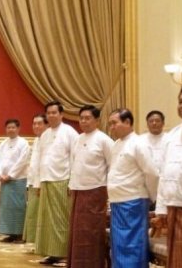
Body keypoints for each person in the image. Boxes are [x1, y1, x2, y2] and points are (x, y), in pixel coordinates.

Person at [107, 108, 158, 268]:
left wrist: (150, 197)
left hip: (134, 202)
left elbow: (152, 173)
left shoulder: (139, 143)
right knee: (119, 245)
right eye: (110, 124)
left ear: (128, 122)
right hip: (117, 202)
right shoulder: (116, 144)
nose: (111, 127)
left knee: (132, 245)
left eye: (114, 123)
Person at [33, 100, 79, 266]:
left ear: (61, 114)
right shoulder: (44, 135)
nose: (51, 115)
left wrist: (72, 183)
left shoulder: (69, 132)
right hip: (46, 180)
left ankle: (64, 254)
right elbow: (40, 159)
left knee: (61, 219)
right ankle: (52, 253)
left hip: (62, 180)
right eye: (49, 113)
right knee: (46, 220)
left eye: (54, 112)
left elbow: (75, 158)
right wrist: (38, 183)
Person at [67, 105, 113, 268]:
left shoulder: (104, 140)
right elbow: (74, 164)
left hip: (95, 191)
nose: (84, 121)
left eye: (88, 118)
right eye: (81, 118)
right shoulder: (78, 139)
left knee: (91, 232)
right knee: (77, 232)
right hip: (78, 190)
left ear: (97, 121)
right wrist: (71, 184)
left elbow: (112, 167)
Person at [156, 85, 182, 268]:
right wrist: (161, 209)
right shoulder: (172, 134)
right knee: (176, 259)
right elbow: (164, 174)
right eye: (181, 101)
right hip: (173, 208)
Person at [0, 119, 30, 243]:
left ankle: (20, 234)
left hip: (17, 179)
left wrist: (10, 175)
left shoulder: (23, 143)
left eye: (13, 127)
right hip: (4, 180)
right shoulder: (3, 143)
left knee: (18, 206)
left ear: (18, 128)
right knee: (6, 207)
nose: (10, 129)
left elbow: (22, 161)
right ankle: (10, 233)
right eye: (8, 127)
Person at [22, 113, 48, 244]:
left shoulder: (48, 140)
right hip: (32, 182)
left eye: (40, 123)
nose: (36, 126)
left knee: (40, 215)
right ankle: (35, 242)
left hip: (42, 183)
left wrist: (39, 184)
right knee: (32, 214)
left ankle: (41, 243)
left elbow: (45, 164)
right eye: (34, 123)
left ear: (46, 125)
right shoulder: (37, 140)